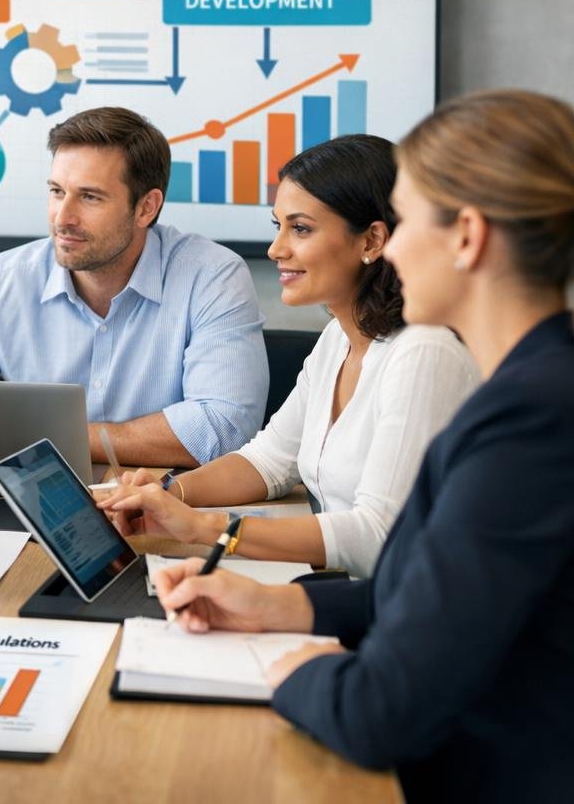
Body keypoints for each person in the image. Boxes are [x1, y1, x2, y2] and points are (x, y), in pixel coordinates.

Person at [153, 90, 574, 798]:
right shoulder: (528, 392)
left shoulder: (530, 421)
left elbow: (381, 711)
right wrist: (280, 609)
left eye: (406, 221)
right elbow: (434, 598)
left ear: (466, 236)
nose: (394, 245)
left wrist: (292, 671)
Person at [100, 136, 477, 577]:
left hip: (404, 616)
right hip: (349, 590)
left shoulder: (424, 352)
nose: (277, 249)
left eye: (300, 228)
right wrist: (168, 494)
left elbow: (380, 536)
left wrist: (205, 528)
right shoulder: (339, 336)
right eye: (277, 225)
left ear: (372, 240)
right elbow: (268, 460)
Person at [0, 106, 267, 466]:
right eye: (57, 192)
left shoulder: (212, 276)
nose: (63, 217)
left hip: (163, 511)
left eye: (90, 197)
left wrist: (25, 439)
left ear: (146, 207)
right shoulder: (4, 279)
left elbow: (224, 428)